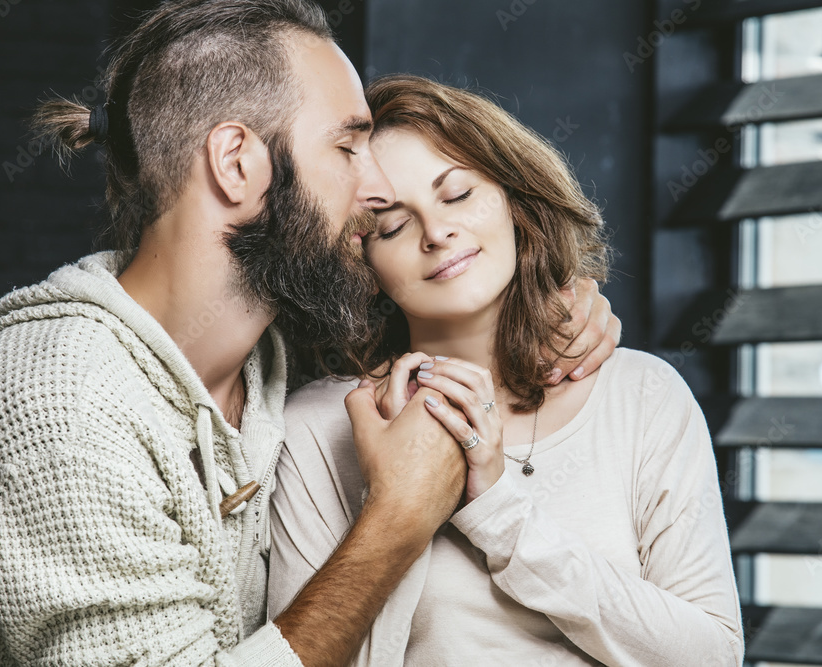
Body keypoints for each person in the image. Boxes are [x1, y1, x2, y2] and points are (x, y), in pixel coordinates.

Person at [0, 3, 622, 666]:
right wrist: (396, 521)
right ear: (237, 163)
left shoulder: (277, 350)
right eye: (348, 147)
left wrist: (558, 308)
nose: (380, 188)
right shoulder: (62, 411)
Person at [268, 74, 745, 666]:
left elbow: (712, 657)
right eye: (391, 225)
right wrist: (396, 502)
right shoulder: (319, 429)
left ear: (514, 199)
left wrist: (498, 510)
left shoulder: (643, 397)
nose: (438, 233)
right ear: (361, 262)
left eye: (458, 194)